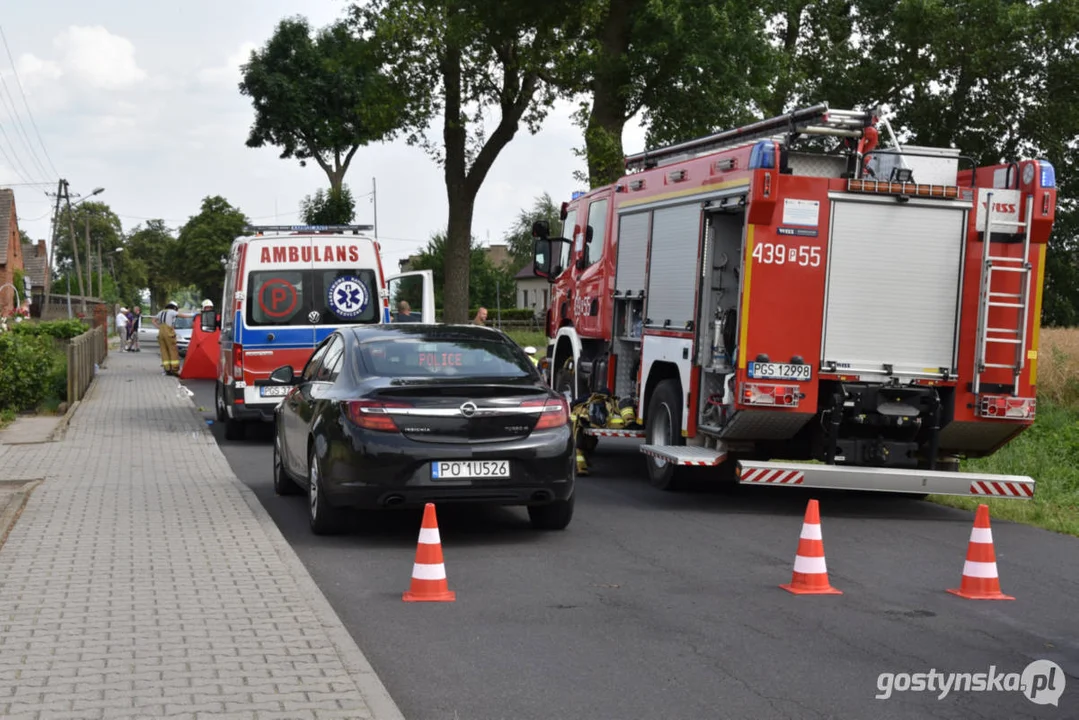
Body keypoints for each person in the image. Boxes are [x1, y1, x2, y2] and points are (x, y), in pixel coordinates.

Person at [153, 301, 181, 375]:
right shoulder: (172, 311)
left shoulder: (161, 312)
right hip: (169, 334)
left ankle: (167, 369)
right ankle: (174, 369)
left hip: (161, 334)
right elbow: (182, 315)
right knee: (173, 351)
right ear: (174, 307)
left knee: (164, 351)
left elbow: (153, 320)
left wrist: (159, 327)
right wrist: (194, 315)